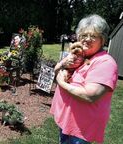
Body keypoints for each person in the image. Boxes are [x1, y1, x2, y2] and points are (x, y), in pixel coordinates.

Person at [50, 14, 118, 144]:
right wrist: (63, 65)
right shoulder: (77, 55)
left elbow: (89, 95)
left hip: (81, 128)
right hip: (66, 120)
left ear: (102, 40)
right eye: (83, 35)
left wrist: (61, 82)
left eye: (93, 36)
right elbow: (56, 69)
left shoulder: (105, 63)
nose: (86, 39)